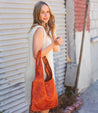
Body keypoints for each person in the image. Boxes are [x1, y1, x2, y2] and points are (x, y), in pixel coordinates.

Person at [25, 1, 63, 113]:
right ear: (37, 14)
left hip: (38, 74)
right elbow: (37, 54)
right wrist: (53, 44)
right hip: (40, 76)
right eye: (43, 13)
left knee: (35, 108)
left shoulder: (42, 29)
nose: (46, 15)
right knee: (43, 108)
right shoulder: (39, 30)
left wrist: (53, 31)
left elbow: (57, 49)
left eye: (48, 12)